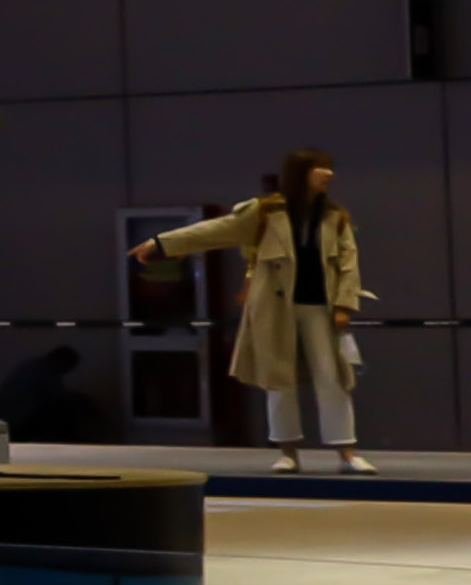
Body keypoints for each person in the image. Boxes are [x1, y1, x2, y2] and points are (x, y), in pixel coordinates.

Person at [141, 152, 375, 472]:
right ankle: (287, 452)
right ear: (301, 173)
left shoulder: (335, 217)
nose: (328, 174)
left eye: (330, 168)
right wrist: (160, 243)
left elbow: (349, 264)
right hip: (275, 309)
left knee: (332, 377)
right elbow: (216, 230)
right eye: (320, 168)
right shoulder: (264, 212)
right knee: (278, 379)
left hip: (320, 308)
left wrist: (345, 305)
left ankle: (346, 452)